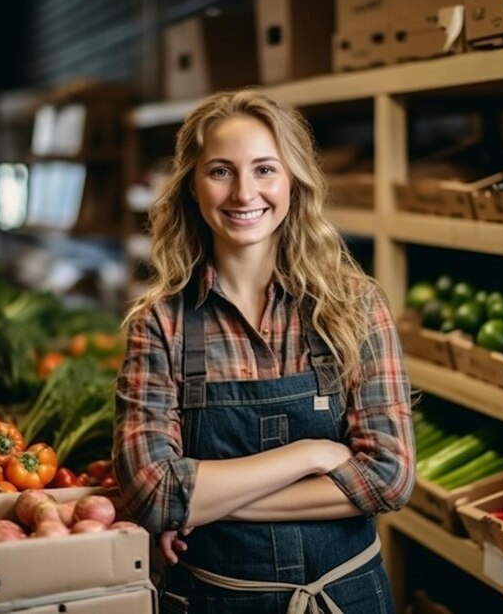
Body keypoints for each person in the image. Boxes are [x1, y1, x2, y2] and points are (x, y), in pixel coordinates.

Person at [113, 88, 415, 614]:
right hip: (215, 600)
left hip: (344, 598)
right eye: (221, 171)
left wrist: (204, 505)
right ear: (192, 185)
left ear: (294, 181)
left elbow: (389, 477)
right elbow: (152, 492)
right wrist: (311, 455)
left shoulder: (355, 305)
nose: (244, 192)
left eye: (265, 169)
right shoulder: (159, 323)